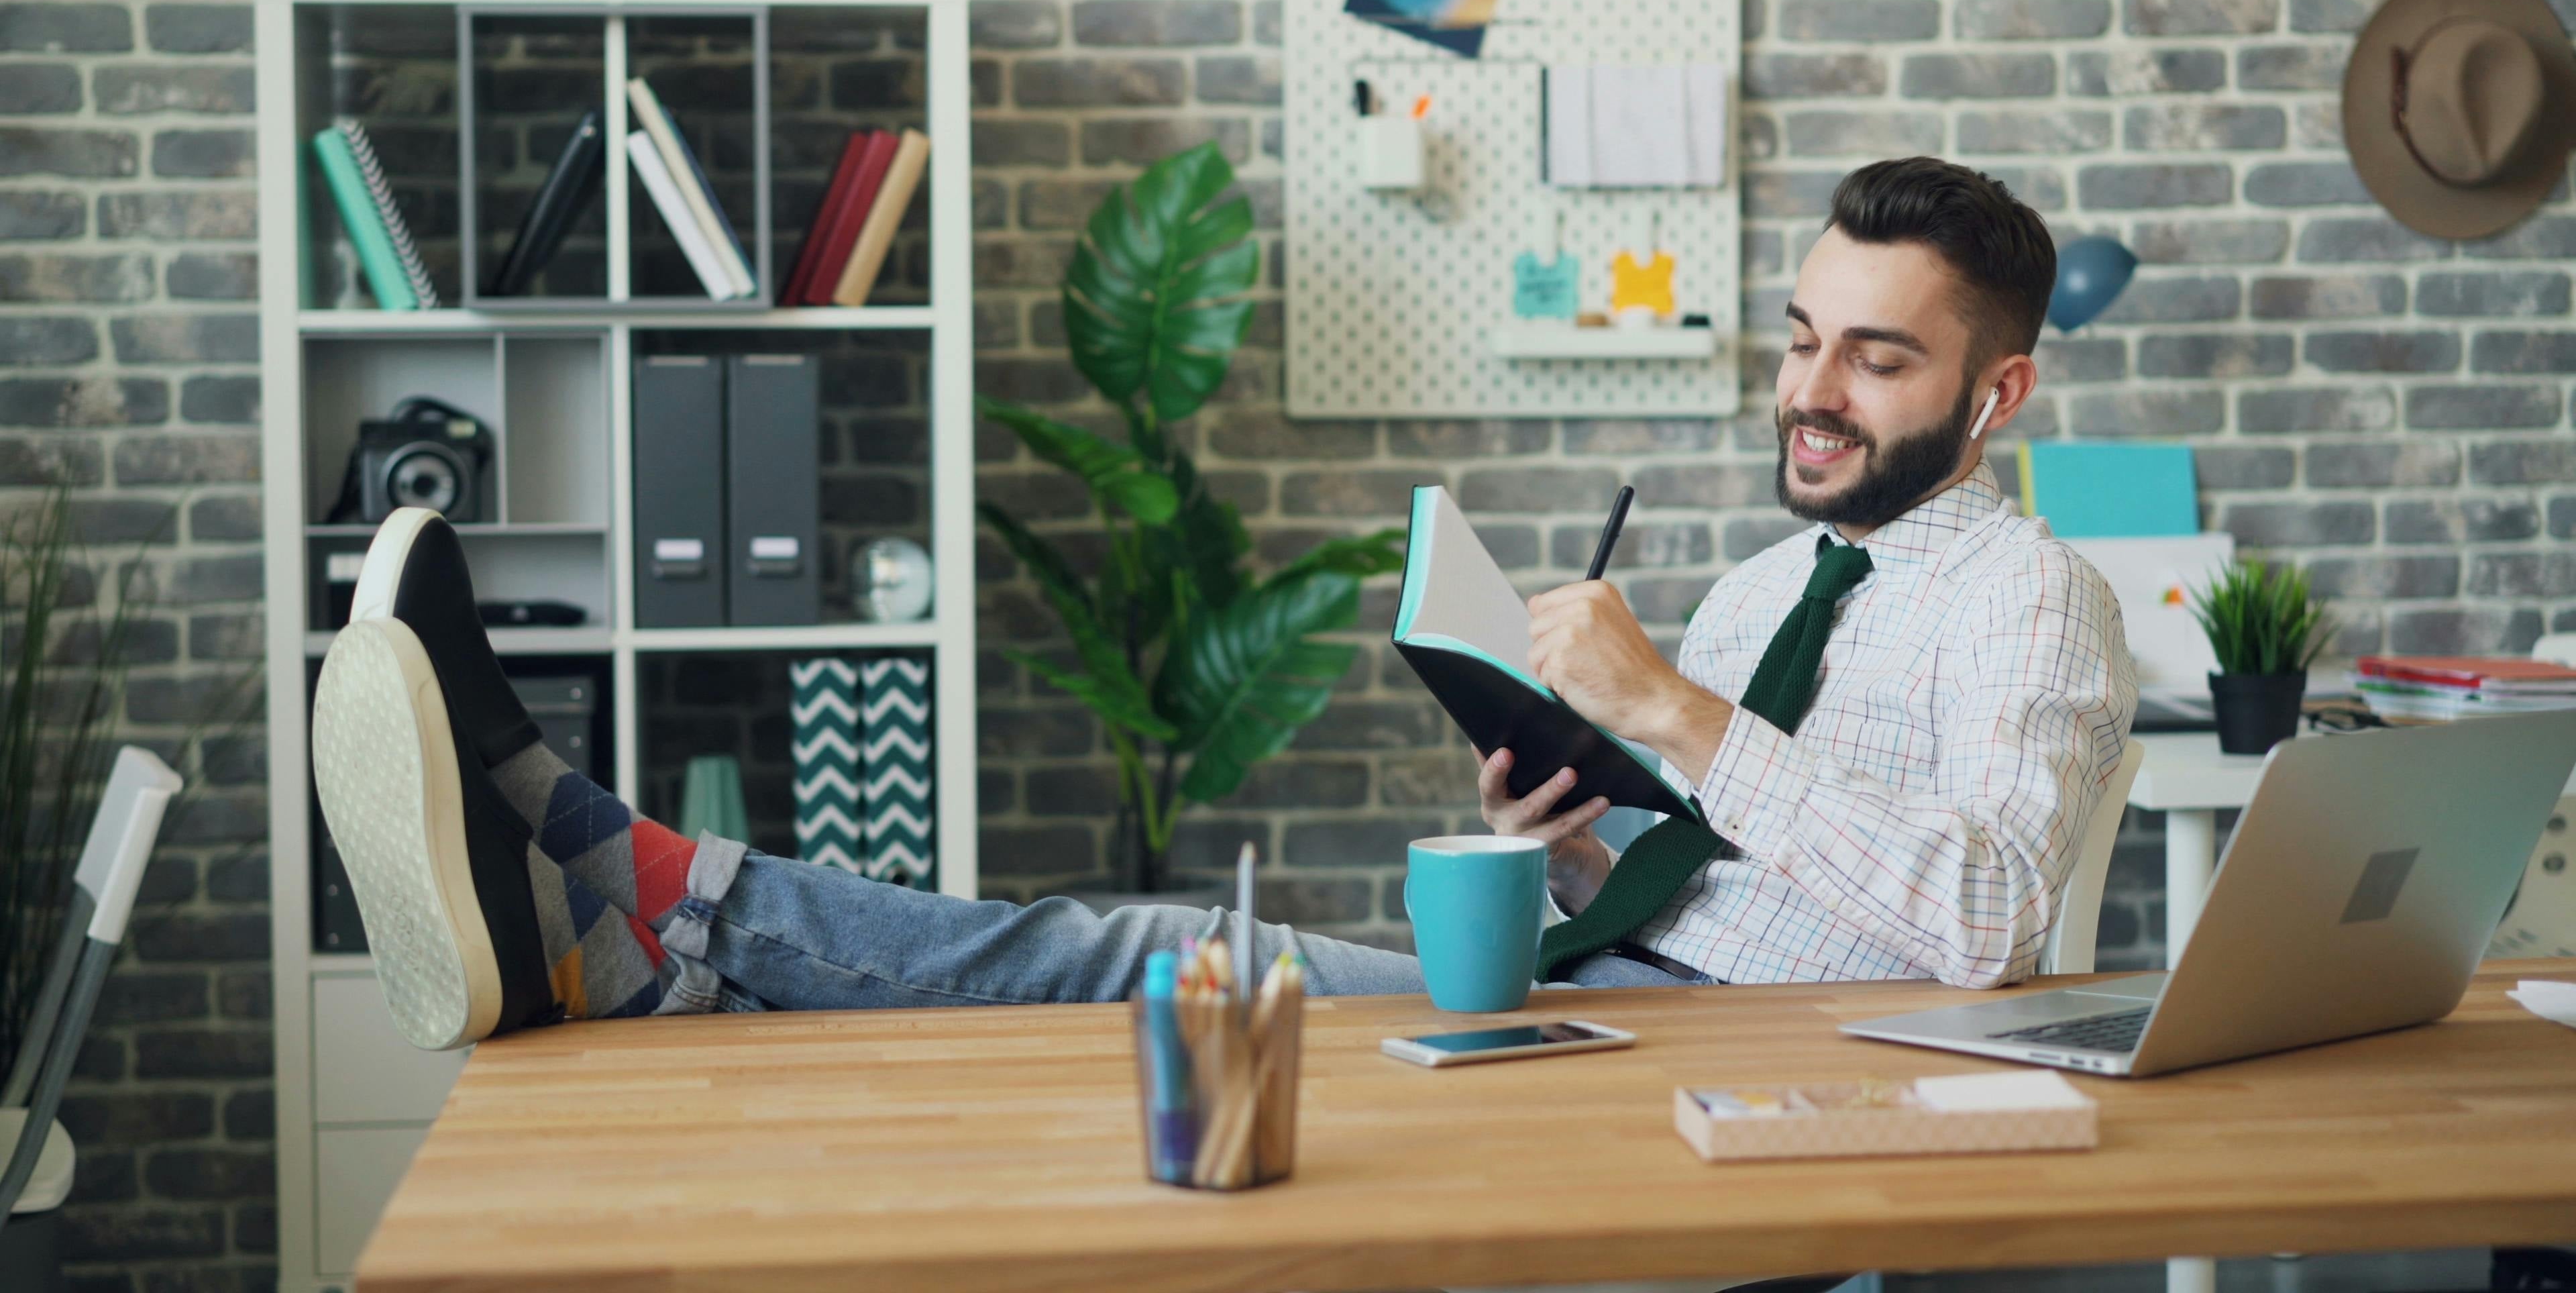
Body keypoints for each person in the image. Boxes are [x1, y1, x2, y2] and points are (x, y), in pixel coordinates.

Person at [312, 156, 2135, 1054]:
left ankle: (620, 895)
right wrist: (1567, 822)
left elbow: (1990, 926)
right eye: (1807, 337)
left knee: (1138, 969)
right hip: (1603, 989)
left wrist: (1673, 714)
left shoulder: (2032, 599)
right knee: (1135, 953)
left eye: (1878, 361)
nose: (1814, 389)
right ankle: (623, 920)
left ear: (1997, 399)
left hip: (1734, 1067)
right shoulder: (1767, 579)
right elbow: (1718, 853)